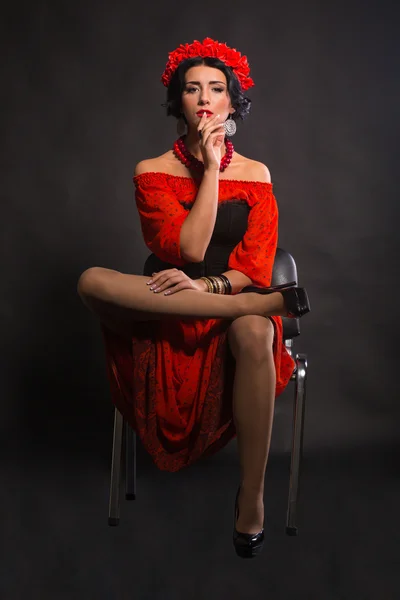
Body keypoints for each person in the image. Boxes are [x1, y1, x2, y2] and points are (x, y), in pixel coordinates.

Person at [77, 37, 310, 558]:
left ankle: (252, 499)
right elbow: (186, 249)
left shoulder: (257, 175)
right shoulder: (151, 171)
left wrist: (210, 288)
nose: (204, 97)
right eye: (191, 89)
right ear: (177, 103)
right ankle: (263, 308)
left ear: (233, 102)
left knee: (253, 329)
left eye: (217, 88)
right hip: (167, 309)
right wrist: (208, 170)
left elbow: (252, 266)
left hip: (229, 300)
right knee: (91, 280)